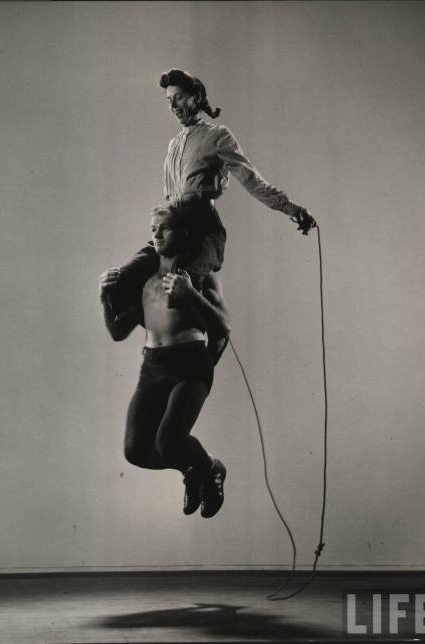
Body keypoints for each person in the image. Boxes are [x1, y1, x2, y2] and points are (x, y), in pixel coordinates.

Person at [109, 69, 316, 334]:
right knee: (121, 283)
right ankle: (161, 348)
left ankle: (198, 351)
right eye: (168, 100)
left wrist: (291, 208)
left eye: (180, 97)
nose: (173, 105)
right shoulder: (174, 144)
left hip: (201, 232)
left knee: (181, 307)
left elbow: (252, 181)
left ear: (197, 98)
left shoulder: (218, 136)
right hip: (173, 229)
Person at [100, 205, 232, 518]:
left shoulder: (200, 279)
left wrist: (190, 295)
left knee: (169, 440)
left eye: (164, 228)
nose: (157, 235)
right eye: (153, 230)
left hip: (190, 364)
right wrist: (104, 299)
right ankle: (200, 467)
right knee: (135, 450)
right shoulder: (146, 281)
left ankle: (209, 470)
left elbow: (223, 328)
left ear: (182, 232)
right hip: (153, 367)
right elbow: (118, 332)